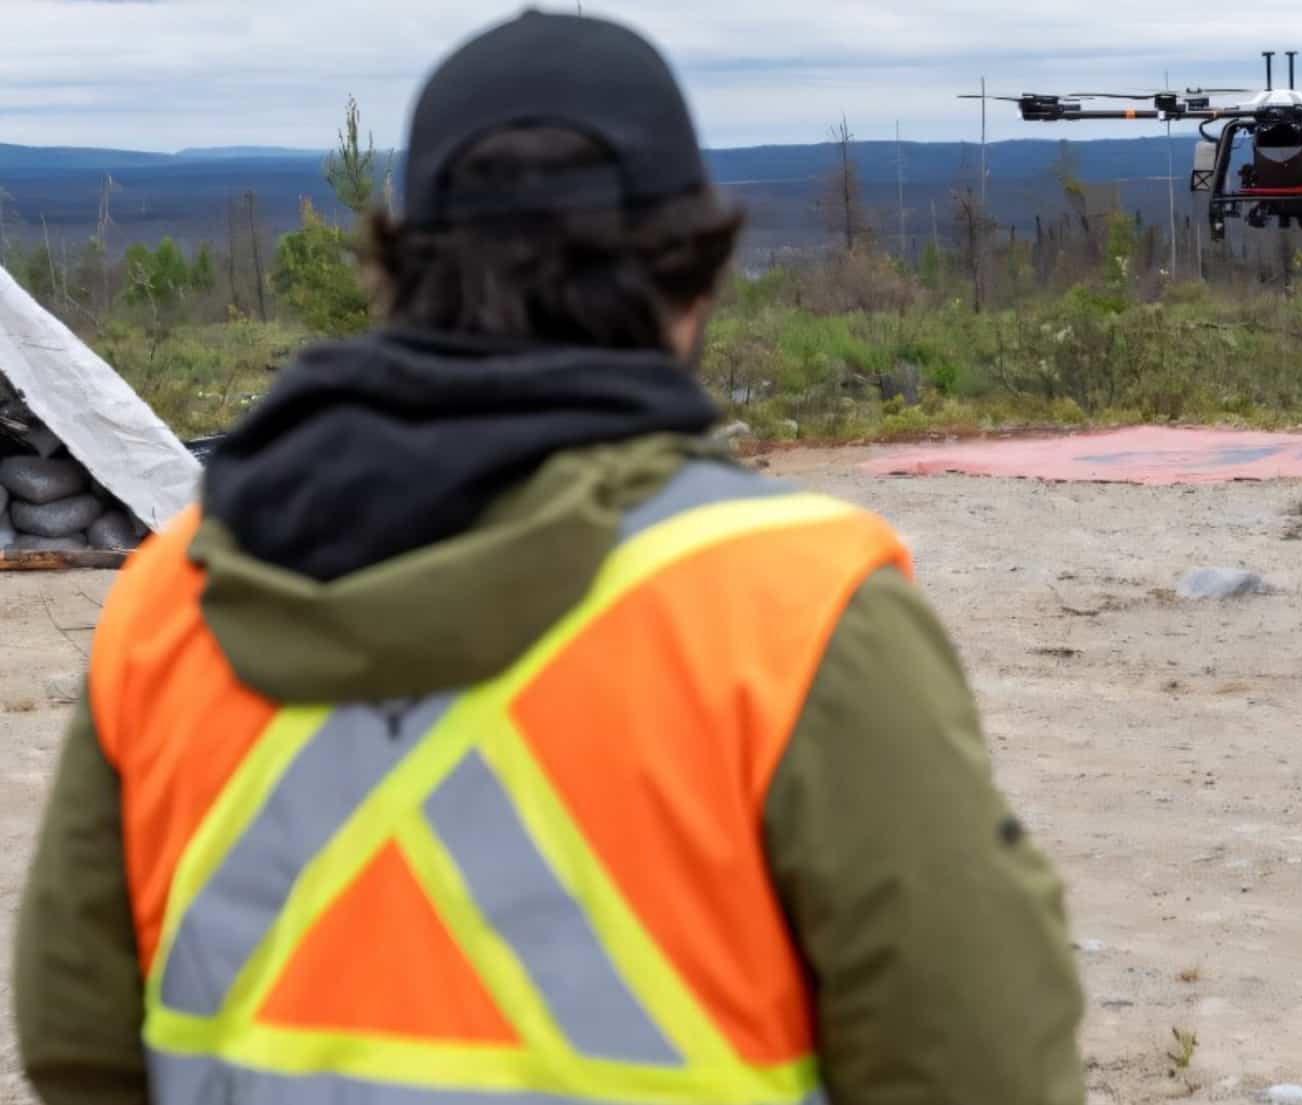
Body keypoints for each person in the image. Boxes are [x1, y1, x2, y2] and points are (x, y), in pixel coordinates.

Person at [10, 11, 1086, 1105]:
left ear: (395, 271)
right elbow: (978, 1063)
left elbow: (75, 1039)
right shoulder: (796, 610)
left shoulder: (177, 589)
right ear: (696, 275)